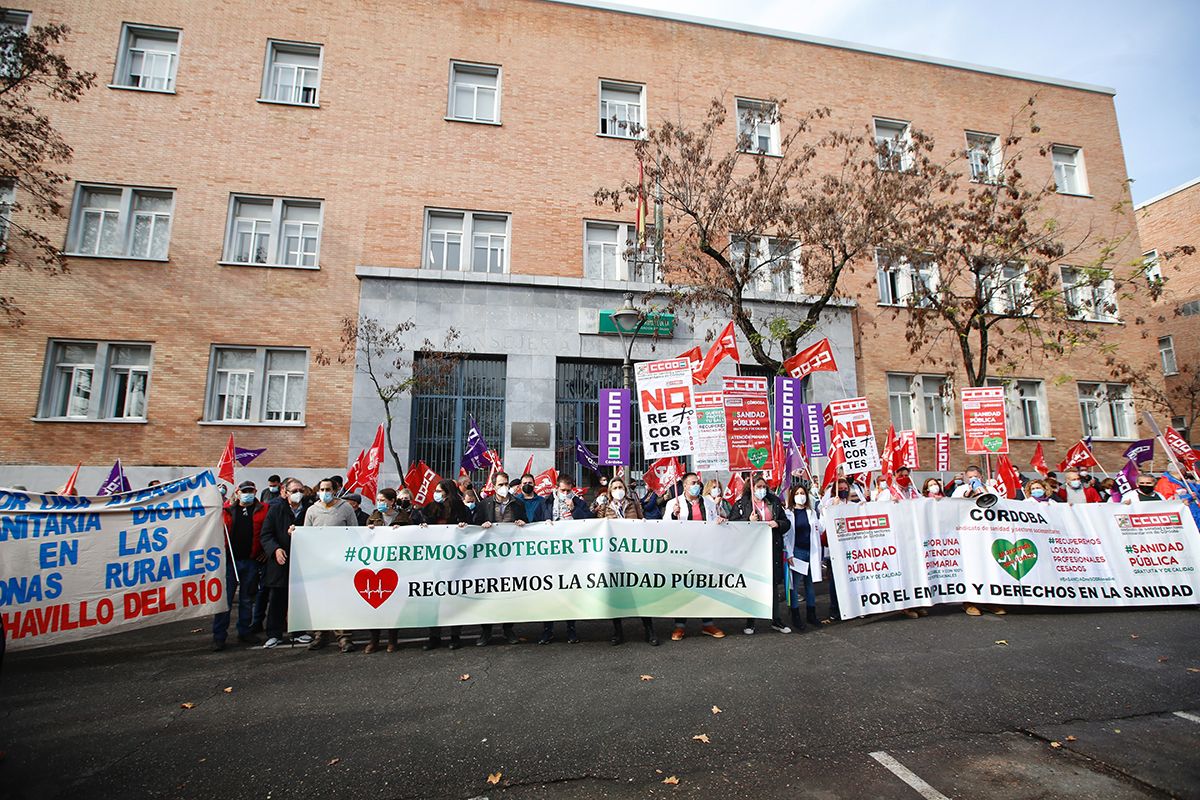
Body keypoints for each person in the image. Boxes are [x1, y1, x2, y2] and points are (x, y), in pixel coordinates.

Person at [662, 472, 726, 641]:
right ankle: (679, 626)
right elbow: (664, 527)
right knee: (683, 588)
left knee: (705, 587)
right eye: (692, 482)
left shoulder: (709, 503)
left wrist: (718, 521)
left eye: (697, 482)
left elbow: (713, 522)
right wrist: (672, 515)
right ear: (684, 486)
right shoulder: (673, 504)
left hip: (704, 552)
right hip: (683, 554)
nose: (696, 485)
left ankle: (708, 623)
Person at [598, 477, 658, 646]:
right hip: (615, 555)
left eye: (620, 487)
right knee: (617, 592)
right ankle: (617, 631)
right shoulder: (605, 507)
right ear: (610, 491)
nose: (618, 490)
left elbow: (641, 521)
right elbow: (597, 526)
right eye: (615, 487)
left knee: (641, 590)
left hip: (634, 554)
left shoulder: (633, 502)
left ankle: (649, 630)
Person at [211, 480, 269, 651]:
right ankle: (219, 636)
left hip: (251, 561)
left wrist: (265, 551)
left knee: (247, 599)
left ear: (256, 491)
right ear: (237, 492)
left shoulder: (264, 509)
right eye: (244, 491)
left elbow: (267, 531)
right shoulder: (225, 510)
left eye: (251, 490)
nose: (247, 493)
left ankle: (244, 631)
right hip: (230, 562)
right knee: (225, 600)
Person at [364, 486, 423, 653]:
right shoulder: (373, 518)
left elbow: (413, 538)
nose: (380, 503)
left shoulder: (403, 518)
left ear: (391, 502)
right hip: (376, 566)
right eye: (378, 500)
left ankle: (392, 639)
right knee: (374, 602)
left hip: (397, 566)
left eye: (383, 500)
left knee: (392, 603)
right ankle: (374, 640)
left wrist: (402, 532)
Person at [731, 475, 792, 635]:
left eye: (764, 486)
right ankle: (750, 621)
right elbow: (733, 526)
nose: (762, 490)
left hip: (772, 548)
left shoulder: (774, 502)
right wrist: (747, 521)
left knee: (772, 586)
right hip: (752, 551)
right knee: (753, 585)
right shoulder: (741, 504)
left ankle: (776, 619)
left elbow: (786, 523)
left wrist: (777, 523)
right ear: (750, 488)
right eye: (758, 487)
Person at [304, 478, 359, 653]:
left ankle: (343, 637)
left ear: (335, 490)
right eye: (322, 489)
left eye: (328, 489)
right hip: (319, 563)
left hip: (340, 562)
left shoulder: (345, 508)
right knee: (320, 599)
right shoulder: (312, 510)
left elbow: (354, 532)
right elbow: (306, 536)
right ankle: (320, 635)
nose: (325, 492)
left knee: (340, 599)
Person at [259, 477, 314, 649]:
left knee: (300, 598)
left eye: (300, 490)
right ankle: (274, 634)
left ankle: (300, 631)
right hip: (280, 562)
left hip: (303, 562)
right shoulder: (276, 510)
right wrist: (275, 549)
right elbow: (266, 535)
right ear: (285, 492)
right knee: (277, 599)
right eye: (294, 491)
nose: (298, 494)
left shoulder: (310, 510)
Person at [538, 475, 593, 644]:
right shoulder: (546, 502)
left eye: (569, 491)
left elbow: (590, 521)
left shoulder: (579, 502)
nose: (566, 494)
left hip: (572, 555)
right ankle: (548, 630)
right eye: (563, 491)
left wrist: (574, 509)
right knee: (550, 592)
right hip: (551, 554)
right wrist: (543, 524)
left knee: (570, 590)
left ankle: (571, 629)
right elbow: (534, 522)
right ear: (556, 488)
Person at [476, 472, 526, 646]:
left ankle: (508, 629)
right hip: (489, 558)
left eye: (505, 483)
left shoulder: (518, 503)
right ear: (493, 485)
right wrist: (482, 527)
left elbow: (527, 523)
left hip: (511, 557)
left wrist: (522, 523)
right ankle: (486, 631)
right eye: (500, 484)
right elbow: (474, 526)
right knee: (488, 593)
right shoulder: (484, 504)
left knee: (509, 593)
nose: (504, 487)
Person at [420, 479, 471, 650]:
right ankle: (434, 636)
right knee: (434, 599)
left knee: (454, 598)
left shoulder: (459, 508)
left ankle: (455, 636)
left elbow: (471, 526)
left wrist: (464, 527)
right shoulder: (430, 507)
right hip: (434, 561)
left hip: (455, 561)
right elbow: (418, 522)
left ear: (447, 492)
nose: (436, 494)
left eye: (439, 491)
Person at [783, 483, 823, 629]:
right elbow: (786, 536)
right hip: (797, 553)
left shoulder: (811, 512)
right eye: (797, 493)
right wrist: (789, 553)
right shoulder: (788, 513)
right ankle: (795, 615)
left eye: (803, 493)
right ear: (793, 496)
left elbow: (820, 529)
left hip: (811, 552)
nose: (801, 495)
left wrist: (823, 513)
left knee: (810, 585)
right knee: (795, 586)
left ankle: (811, 615)